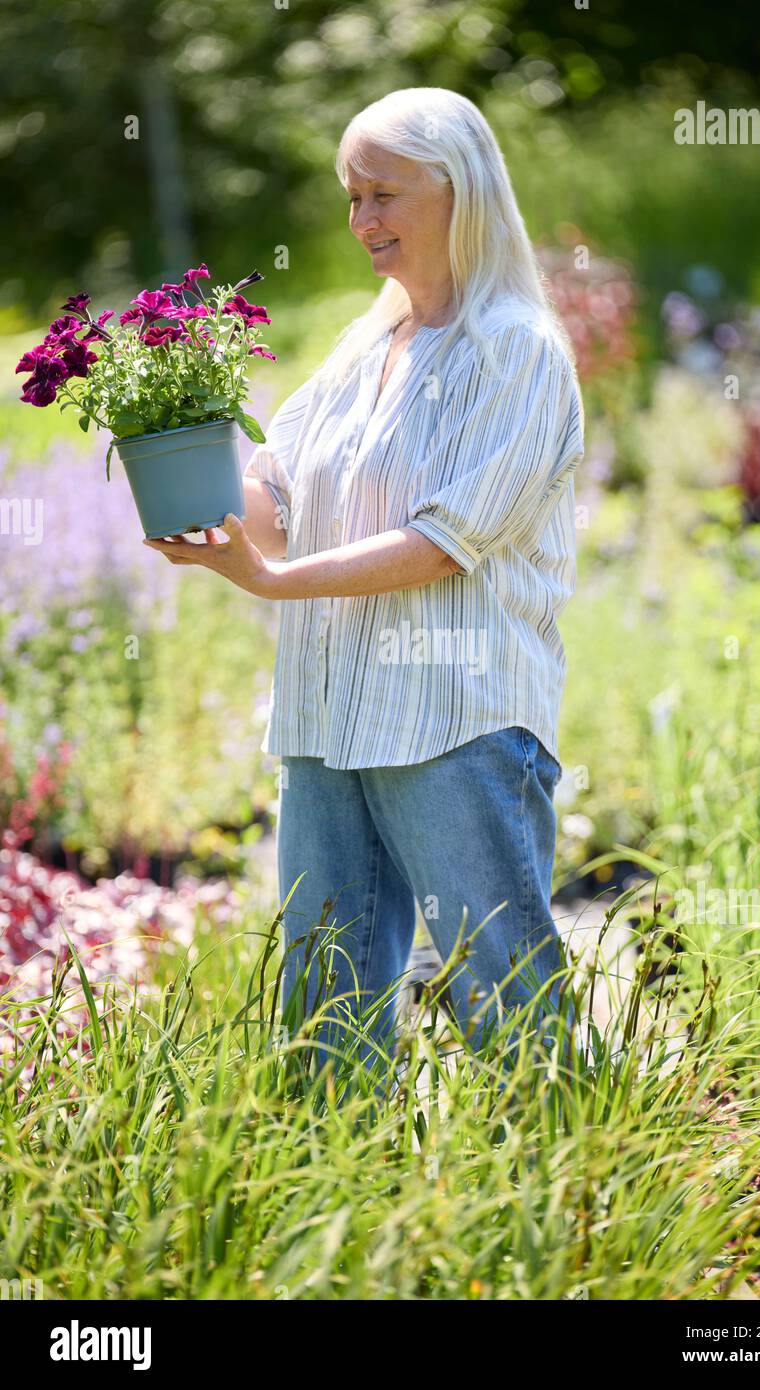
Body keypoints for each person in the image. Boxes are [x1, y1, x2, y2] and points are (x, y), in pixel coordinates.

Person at [144, 86, 585, 1062]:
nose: (362, 222)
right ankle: (344, 1203)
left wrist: (266, 582)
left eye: (382, 194)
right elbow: (278, 489)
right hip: (329, 720)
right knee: (324, 1020)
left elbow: (441, 543)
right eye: (351, 197)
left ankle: (578, 1202)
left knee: (508, 1008)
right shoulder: (362, 347)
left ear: (459, 188)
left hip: (454, 724)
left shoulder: (516, 351)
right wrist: (205, 516)